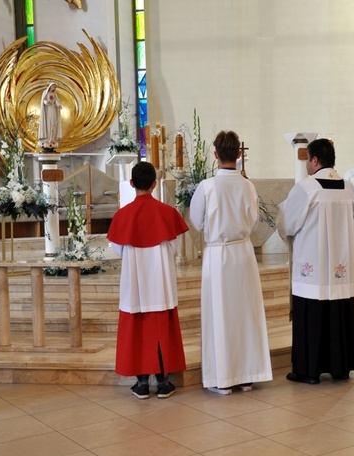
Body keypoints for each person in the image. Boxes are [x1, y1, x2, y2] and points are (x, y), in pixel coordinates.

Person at [189, 130, 272, 395]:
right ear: (238, 154)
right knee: (245, 314)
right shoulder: (248, 185)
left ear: (215, 155)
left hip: (218, 254)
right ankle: (247, 376)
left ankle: (222, 378)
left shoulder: (207, 187)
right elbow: (255, 222)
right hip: (243, 254)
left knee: (220, 314)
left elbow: (197, 222)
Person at [277, 138, 354, 384]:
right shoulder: (348, 187)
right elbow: (353, 221)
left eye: (307, 160)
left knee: (312, 315)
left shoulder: (306, 188)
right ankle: (340, 367)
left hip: (311, 270)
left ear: (315, 160)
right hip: (339, 268)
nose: (306, 166)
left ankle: (308, 370)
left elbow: (288, 224)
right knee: (338, 313)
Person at [107, 161, 189, 399]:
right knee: (161, 324)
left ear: (132, 184)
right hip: (161, 281)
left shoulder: (122, 216)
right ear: (155, 184)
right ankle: (163, 382)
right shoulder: (168, 213)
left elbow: (117, 249)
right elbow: (174, 246)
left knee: (137, 325)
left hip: (134, 281)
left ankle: (142, 383)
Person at [38, 83, 62, 150]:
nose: (53, 88)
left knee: (53, 125)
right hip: (47, 111)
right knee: (48, 124)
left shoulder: (55, 94)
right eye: (53, 87)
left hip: (53, 110)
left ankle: (52, 139)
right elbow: (43, 100)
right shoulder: (45, 93)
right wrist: (46, 102)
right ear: (50, 87)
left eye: (54, 87)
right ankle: (47, 139)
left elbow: (56, 101)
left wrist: (58, 105)